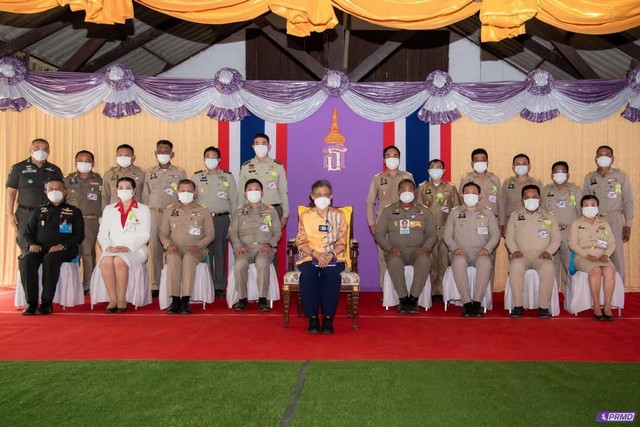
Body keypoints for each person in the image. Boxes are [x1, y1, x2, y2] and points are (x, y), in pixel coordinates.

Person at [19, 179, 84, 315]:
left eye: (57, 189)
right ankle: (31, 303)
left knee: (50, 259)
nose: (54, 192)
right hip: (40, 248)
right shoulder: (39, 210)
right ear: (45, 192)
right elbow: (27, 233)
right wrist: (32, 244)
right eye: (51, 189)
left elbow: (79, 235)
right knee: (26, 259)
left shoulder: (74, 211)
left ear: (64, 192)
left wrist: (63, 246)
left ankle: (46, 302)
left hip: (65, 250)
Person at [375, 179, 437, 313]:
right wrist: (390, 248)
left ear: (415, 192)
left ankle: (413, 298)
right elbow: (379, 234)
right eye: (403, 190)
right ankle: (403, 299)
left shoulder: (424, 211)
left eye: (410, 190)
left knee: (424, 261)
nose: (407, 193)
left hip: (418, 251)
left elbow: (432, 234)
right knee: (394, 262)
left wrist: (426, 247)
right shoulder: (389, 210)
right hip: (396, 251)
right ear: (398, 192)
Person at [295, 180, 347, 334]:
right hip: (309, 256)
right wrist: (316, 254)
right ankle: (312, 318)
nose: (322, 197)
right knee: (308, 275)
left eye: (325, 194)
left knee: (331, 275)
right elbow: (301, 241)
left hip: (334, 256)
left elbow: (342, 242)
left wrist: (330, 255)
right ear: (312, 197)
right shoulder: (305, 216)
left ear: (331, 196)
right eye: (318, 195)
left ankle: (328, 318)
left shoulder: (339, 215)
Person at [443, 182, 500, 317]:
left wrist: (487, 249)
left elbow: (496, 235)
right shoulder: (454, 213)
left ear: (480, 196)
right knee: (458, 262)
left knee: (485, 263)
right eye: (467, 193)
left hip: (481, 252)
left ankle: (477, 303)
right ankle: (467, 303)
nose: (470, 195)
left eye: (474, 193)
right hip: (460, 252)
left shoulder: (488, 213)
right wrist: (454, 249)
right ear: (462, 195)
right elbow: (447, 235)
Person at [159, 179, 214, 314]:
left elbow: (210, 235)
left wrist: (199, 246)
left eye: (189, 191)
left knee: (189, 258)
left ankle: (185, 300)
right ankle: (175, 300)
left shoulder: (203, 210)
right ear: (177, 192)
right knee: (173, 258)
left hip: (196, 249)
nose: (185, 193)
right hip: (175, 248)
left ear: (195, 193)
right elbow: (162, 233)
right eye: (182, 191)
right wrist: (168, 244)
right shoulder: (169, 210)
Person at [505, 185, 561, 319]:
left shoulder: (549, 217)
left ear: (540, 199)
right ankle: (518, 306)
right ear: (522, 200)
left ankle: (543, 307)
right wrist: (514, 251)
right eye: (527, 197)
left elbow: (557, 239)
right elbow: (509, 238)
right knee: (515, 266)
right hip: (521, 255)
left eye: (534, 197)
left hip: (542, 255)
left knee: (548, 268)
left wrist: (549, 252)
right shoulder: (514, 217)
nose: (531, 200)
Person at [97, 177, 151, 312]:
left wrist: (128, 247)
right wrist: (108, 247)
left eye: (128, 188)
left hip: (135, 249)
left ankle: (122, 298)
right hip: (113, 248)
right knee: (106, 261)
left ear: (134, 191)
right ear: (116, 190)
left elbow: (145, 235)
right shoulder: (109, 209)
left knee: (119, 261)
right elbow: (102, 234)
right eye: (120, 188)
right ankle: (112, 299)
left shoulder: (143, 209)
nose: (124, 190)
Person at [228, 179, 281, 312]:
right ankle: (242, 299)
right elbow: (232, 232)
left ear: (262, 193)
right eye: (250, 190)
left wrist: (269, 244)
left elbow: (277, 232)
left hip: (264, 247)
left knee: (262, 262)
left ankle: (262, 299)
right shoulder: (239, 211)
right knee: (240, 264)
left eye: (256, 189)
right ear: (245, 194)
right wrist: (238, 246)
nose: (253, 192)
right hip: (245, 248)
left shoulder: (271, 211)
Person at [141, 140, 187, 293]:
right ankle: (156, 285)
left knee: (173, 248)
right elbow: (145, 196)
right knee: (155, 250)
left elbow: (184, 193)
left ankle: (173, 283)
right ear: (155, 153)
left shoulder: (180, 172)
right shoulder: (149, 172)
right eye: (160, 151)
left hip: (173, 215)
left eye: (166, 151)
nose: (163, 154)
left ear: (172, 154)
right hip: (154, 214)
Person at [582, 145, 633, 284]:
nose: (603, 157)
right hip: (596, 221)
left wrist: (628, 224)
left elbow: (628, 201)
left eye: (607, 155)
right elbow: (585, 202)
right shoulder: (589, 178)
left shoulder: (621, 176)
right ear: (596, 158)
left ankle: (619, 290)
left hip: (615, 219)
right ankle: (600, 289)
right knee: (597, 253)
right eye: (600, 155)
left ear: (612, 158)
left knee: (617, 256)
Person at [193, 146, 238, 298]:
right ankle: (208, 283)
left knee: (220, 252)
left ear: (219, 160)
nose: (210, 159)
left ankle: (219, 285)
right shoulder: (197, 177)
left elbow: (234, 200)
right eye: (208, 156)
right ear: (204, 159)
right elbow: (193, 200)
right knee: (206, 251)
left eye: (214, 157)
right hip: (203, 220)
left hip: (221, 218)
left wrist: (234, 222)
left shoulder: (227, 177)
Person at [367, 146, 414, 289]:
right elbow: (370, 202)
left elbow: (414, 200)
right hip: (383, 224)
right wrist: (371, 223)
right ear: (384, 160)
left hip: (404, 223)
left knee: (403, 257)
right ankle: (386, 291)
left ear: (399, 158)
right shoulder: (378, 178)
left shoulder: (407, 177)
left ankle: (403, 291)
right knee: (383, 258)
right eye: (388, 155)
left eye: (395, 155)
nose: (392, 158)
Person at [6, 138, 63, 253]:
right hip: (25, 213)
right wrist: (10, 214)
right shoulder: (18, 168)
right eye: (37, 148)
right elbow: (11, 192)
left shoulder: (55, 170)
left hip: (49, 213)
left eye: (45, 149)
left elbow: (62, 192)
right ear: (30, 150)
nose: (41, 151)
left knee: (48, 246)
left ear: (49, 152)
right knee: (26, 246)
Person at [417, 159, 461, 301]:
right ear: (428, 170)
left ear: (443, 170)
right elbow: (418, 210)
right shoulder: (422, 187)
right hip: (428, 230)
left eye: (439, 167)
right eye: (432, 167)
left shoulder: (450, 188)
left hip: (446, 229)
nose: (435, 169)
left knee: (444, 261)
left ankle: (443, 291)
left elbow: (456, 209)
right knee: (429, 261)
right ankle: (430, 292)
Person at [568, 195, 617, 321]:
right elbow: (572, 244)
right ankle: (596, 306)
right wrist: (587, 256)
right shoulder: (576, 223)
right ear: (581, 207)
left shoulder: (604, 223)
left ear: (597, 207)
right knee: (595, 270)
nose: (590, 207)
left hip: (602, 256)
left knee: (609, 270)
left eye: (593, 205)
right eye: (586, 205)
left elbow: (612, 243)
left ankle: (607, 306)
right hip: (582, 257)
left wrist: (606, 255)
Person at [64, 150, 103, 292]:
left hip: (90, 221)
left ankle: (88, 285)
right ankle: (71, 285)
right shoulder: (67, 180)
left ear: (93, 163)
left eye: (87, 161)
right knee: (71, 253)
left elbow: (104, 200)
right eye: (80, 160)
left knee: (88, 253)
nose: (83, 163)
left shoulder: (99, 181)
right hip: (70, 221)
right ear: (75, 162)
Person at [541, 161, 582, 291]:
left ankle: (569, 297)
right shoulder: (545, 191)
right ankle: (551, 298)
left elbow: (581, 213)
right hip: (550, 234)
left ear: (568, 175)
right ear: (552, 175)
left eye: (562, 172)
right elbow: (541, 213)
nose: (559, 174)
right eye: (556, 172)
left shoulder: (575, 190)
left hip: (568, 234)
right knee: (550, 267)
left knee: (569, 267)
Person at [239, 133, 288, 227]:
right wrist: (240, 212)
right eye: (257, 143)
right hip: (251, 211)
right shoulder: (245, 167)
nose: (260, 146)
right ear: (253, 147)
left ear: (269, 147)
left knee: (273, 236)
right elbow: (242, 192)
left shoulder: (278, 166)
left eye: (263, 143)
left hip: (273, 210)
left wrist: (286, 213)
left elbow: (283, 191)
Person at [501, 154, 543, 235]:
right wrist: (502, 224)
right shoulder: (507, 183)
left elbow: (542, 204)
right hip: (512, 222)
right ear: (513, 167)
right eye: (518, 164)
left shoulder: (536, 183)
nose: (521, 166)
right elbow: (503, 205)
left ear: (529, 166)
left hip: (532, 222)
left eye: (524, 164)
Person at [459, 148, 501, 223]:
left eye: (483, 160)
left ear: (487, 162)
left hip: (492, 219)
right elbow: (461, 201)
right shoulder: (466, 179)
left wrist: (502, 223)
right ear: (472, 163)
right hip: (471, 219)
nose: (480, 162)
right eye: (477, 160)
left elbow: (500, 202)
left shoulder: (495, 179)